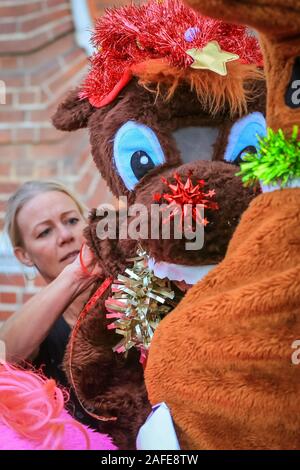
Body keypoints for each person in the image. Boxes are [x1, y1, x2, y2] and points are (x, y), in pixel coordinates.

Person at [0, 180, 102, 424]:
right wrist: (75, 275)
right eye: (45, 232)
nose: (65, 236)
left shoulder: (133, 287)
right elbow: (5, 358)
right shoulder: (37, 331)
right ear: (24, 256)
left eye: (71, 221)